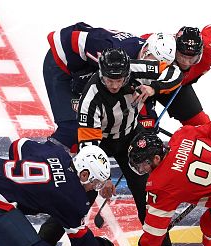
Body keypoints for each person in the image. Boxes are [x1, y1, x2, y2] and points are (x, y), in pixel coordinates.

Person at [41, 43, 183, 246]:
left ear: (128, 72)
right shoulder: (90, 98)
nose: (115, 85)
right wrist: (103, 179)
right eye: (109, 80)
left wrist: (153, 89)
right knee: (77, 195)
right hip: (99, 142)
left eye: (120, 80)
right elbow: (89, 152)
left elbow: (175, 72)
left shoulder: (135, 68)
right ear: (101, 74)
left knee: (146, 192)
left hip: (130, 137)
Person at [44, 23, 180, 151]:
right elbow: (61, 37)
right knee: (73, 125)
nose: (155, 65)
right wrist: (79, 73)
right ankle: (47, 156)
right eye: (154, 60)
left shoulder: (141, 58)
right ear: (145, 50)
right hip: (60, 67)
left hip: (95, 69)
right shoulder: (111, 49)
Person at [143, 25, 211, 128]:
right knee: (144, 125)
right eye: (182, 57)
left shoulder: (210, 49)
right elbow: (137, 45)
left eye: (192, 59)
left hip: (178, 85)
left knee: (204, 126)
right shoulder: (161, 46)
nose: (186, 63)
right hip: (148, 84)